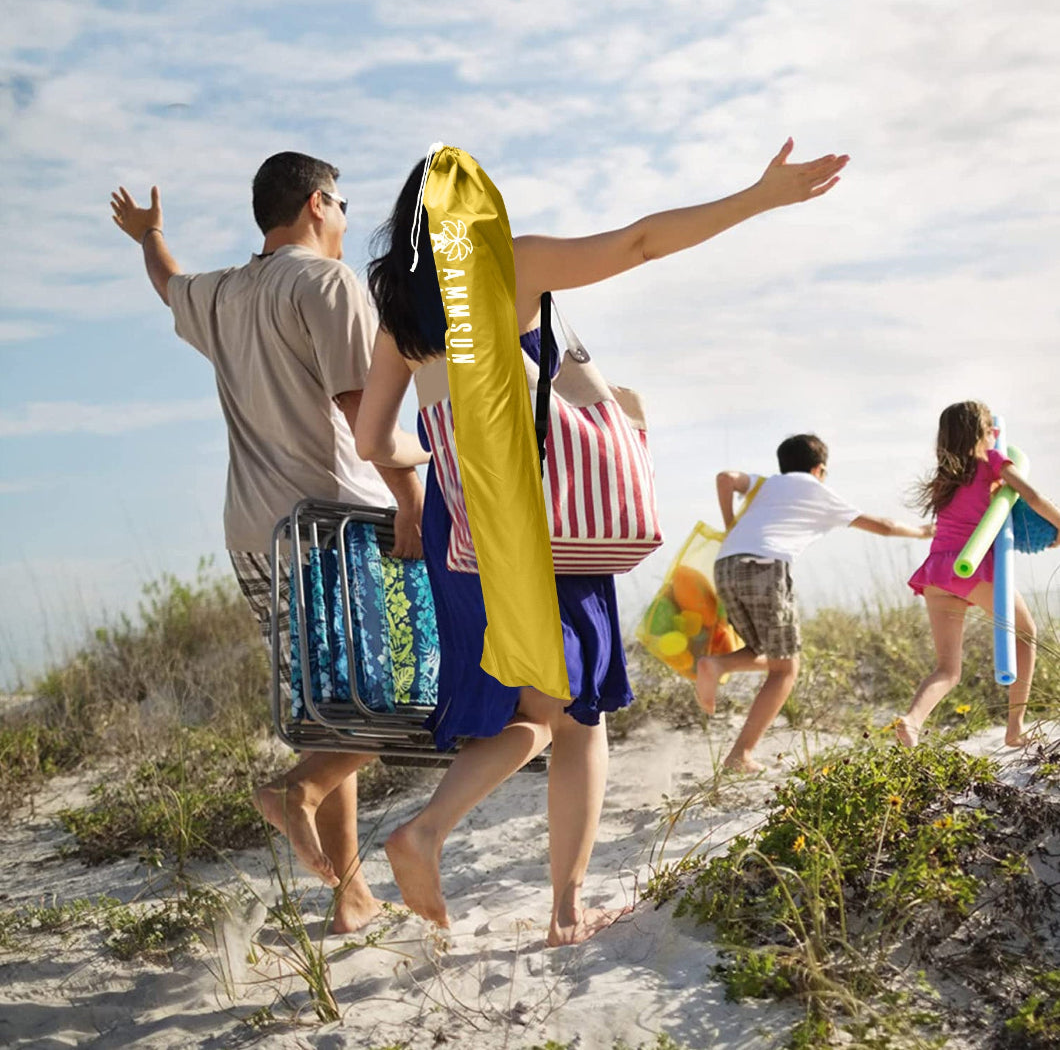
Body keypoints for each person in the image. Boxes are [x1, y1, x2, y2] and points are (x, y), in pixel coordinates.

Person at [356, 139, 850, 945]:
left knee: (530, 714)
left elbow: (376, 439)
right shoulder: (508, 264)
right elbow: (640, 242)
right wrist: (758, 198)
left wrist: (445, 447)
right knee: (578, 718)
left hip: (466, 533)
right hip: (543, 524)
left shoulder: (402, 313)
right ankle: (560, 910)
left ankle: (429, 831)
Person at [110, 152, 428, 933]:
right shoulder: (326, 284)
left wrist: (149, 236)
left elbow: (166, 283)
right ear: (318, 203)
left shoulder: (219, 292)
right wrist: (416, 505)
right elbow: (369, 420)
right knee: (414, 690)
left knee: (334, 711)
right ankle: (299, 791)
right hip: (337, 523)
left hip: (257, 534)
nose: (349, 220)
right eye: (344, 204)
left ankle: (349, 893)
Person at [696, 433, 933, 771]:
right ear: (820, 469)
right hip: (766, 566)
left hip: (726, 565)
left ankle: (719, 666)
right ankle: (739, 753)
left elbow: (725, 478)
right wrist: (922, 532)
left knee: (765, 650)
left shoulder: (767, 485)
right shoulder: (816, 489)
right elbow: (883, 526)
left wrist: (730, 524)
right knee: (786, 669)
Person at [897, 400, 1060, 748]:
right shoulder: (992, 462)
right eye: (991, 430)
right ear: (984, 434)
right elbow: (1032, 496)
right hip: (971, 568)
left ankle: (911, 721)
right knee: (1026, 634)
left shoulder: (946, 476)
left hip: (937, 573)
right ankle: (1015, 727)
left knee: (948, 670)